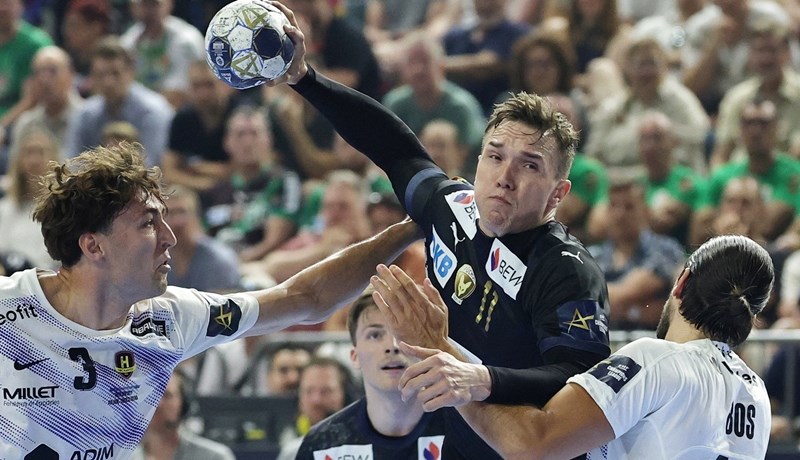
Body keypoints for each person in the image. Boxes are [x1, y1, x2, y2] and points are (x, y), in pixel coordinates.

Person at [272, 3, 611, 457]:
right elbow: (393, 147)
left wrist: (480, 378)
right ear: (478, 161)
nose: (505, 177)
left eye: (529, 165)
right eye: (496, 156)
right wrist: (304, 79)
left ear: (557, 194)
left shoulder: (567, 269)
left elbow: (580, 379)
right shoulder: (453, 208)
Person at [0, 140, 421, 458]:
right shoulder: (8, 310)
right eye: (148, 223)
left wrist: (412, 227)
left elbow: (305, 297)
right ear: (94, 246)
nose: (170, 238)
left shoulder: (170, 319)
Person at [370, 234, 774, 459]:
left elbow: (532, 445)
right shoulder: (756, 393)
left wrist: (442, 352)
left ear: (681, 281)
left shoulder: (655, 360)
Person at [293, 289, 447, 459]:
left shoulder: (463, 426)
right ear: (355, 356)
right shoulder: (321, 445)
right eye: (375, 335)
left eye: (404, 332)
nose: (392, 346)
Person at [131, 371, 235, 460]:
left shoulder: (215, 457)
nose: (157, 404)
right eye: (149, 395)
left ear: (184, 403)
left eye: (166, 395)